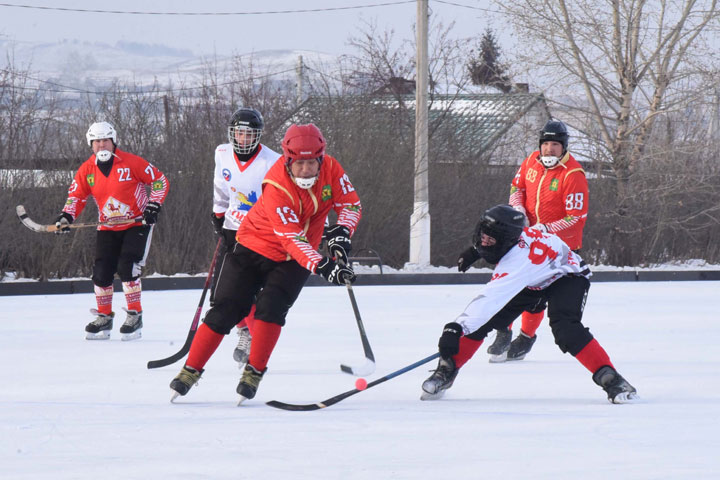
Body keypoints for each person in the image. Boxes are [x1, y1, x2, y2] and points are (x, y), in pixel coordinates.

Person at [169, 123, 362, 403]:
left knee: (272, 309)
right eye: (300, 164)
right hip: (254, 247)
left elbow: (351, 204)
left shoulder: (332, 169)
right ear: (288, 160)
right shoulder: (276, 184)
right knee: (227, 309)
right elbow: (291, 238)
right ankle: (190, 370)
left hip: (295, 259)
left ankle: (254, 371)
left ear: (321, 158)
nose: (307, 170)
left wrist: (343, 232)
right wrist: (324, 266)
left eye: (312, 163)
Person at [422, 204, 637, 404]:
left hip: (566, 276)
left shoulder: (516, 263)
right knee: (487, 321)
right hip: (535, 278)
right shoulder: (515, 236)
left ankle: (612, 379)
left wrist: (455, 328)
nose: (483, 242)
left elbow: (487, 301)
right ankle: (448, 369)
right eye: (481, 237)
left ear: (507, 240)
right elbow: (501, 243)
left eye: (490, 240)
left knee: (566, 330)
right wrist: (476, 251)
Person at [55, 121, 169, 340]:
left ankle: (135, 316)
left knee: (128, 266)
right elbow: (77, 196)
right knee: (101, 272)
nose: (101, 145)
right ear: (91, 144)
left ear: (113, 141)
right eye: (97, 141)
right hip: (107, 226)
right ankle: (104, 318)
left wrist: (153, 206)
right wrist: (66, 216)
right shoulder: (87, 169)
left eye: (105, 140)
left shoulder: (132, 162)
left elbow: (159, 181)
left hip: (138, 224)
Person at [486, 119, 589, 363]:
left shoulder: (573, 174)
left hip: (558, 247)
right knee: (508, 284)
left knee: (537, 293)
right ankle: (504, 330)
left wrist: (546, 228)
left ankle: (526, 337)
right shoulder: (531, 160)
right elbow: (516, 187)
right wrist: (518, 210)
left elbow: (576, 217)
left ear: (563, 147)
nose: (549, 149)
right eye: (546, 144)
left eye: (555, 144)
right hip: (526, 238)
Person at [209, 107, 281, 367]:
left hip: (259, 232)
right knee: (222, 293)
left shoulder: (272, 161)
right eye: (239, 133)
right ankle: (244, 331)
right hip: (232, 227)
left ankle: (254, 338)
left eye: (249, 134)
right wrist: (218, 213)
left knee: (247, 290)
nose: (243, 139)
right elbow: (221, 185)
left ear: (258, 136)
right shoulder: (222, 153)